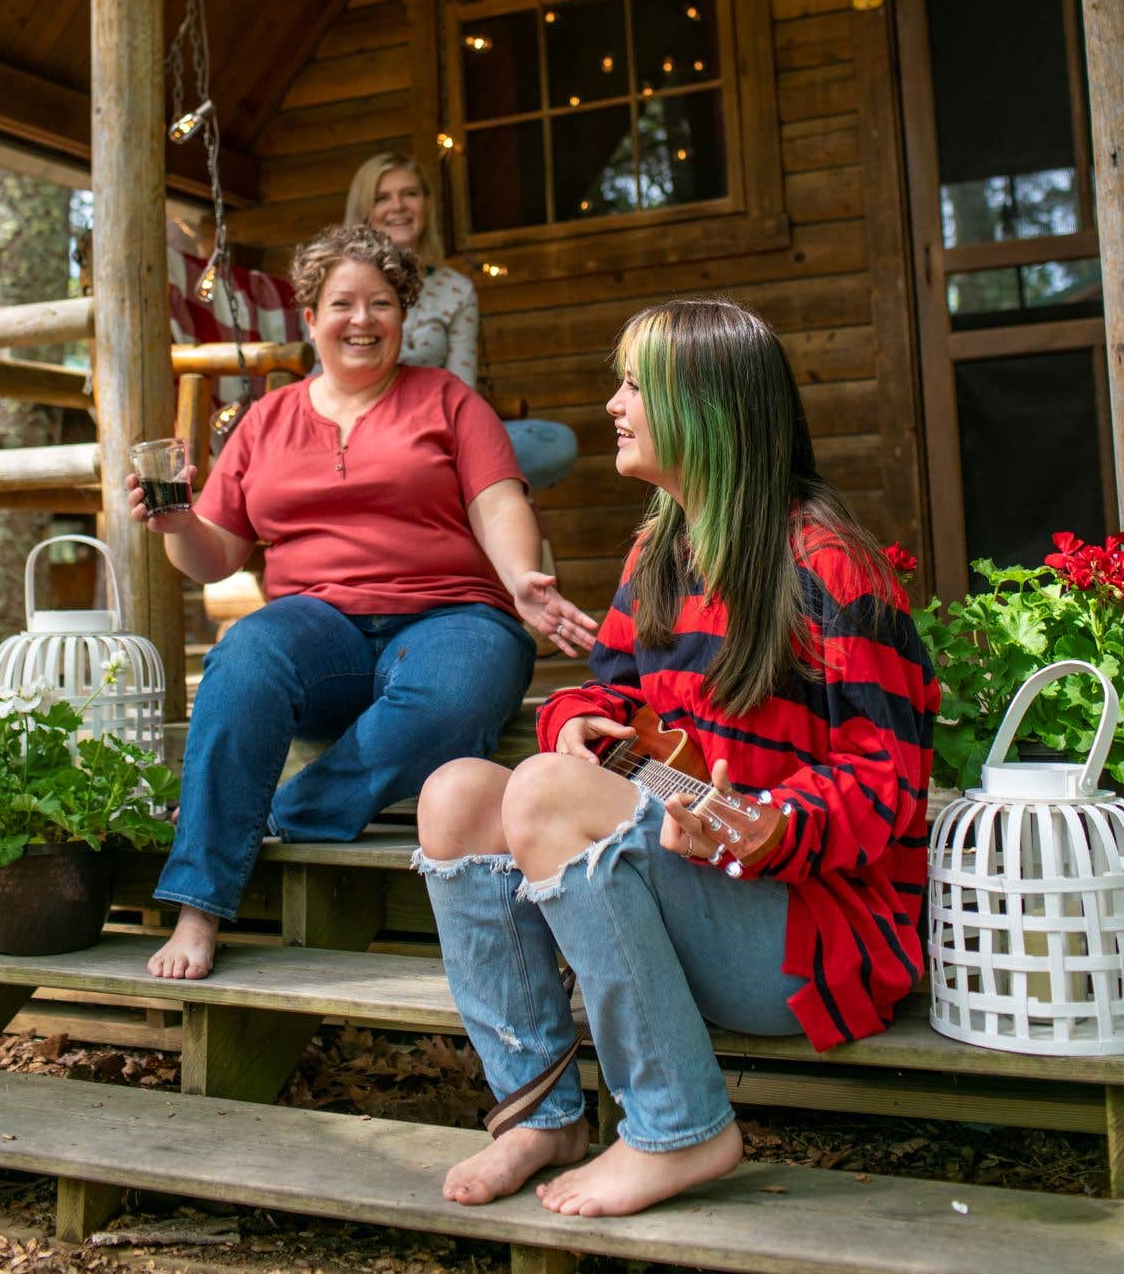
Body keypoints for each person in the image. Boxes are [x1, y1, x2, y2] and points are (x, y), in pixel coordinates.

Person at [413, 297, 939, 1219]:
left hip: (806, 930)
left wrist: (775, 827)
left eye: (635, 384)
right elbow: (606, 693)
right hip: (691, 876)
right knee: (457, 794)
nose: (614, 403)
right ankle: (542, 1112)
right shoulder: (662, 550)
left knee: (539, 794)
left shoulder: (828, 564)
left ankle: (678, 1126)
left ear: (707, 404)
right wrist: (577, 721)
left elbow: (886, 777)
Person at [128, 224, 596, 982]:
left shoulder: (447, 399)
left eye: (381, 302)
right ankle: (198, 905)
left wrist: (518, 578)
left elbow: (498, 501)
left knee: (452, 694)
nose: (362, 318)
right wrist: (177, 524)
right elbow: (213, 557)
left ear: (403, 316)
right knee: (245, 653)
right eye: (342, 302)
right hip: (320, 628)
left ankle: (281, 810)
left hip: (453, 615)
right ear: (310, 316)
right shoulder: (266, 419)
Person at [344, 152, 578, 492]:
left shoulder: (455, 289)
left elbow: (461, 391)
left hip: (437, 434)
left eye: (409, 194)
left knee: (555, 441)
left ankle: (431, 482)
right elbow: (321, 379)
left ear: (426, 204)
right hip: (360, 431)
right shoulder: (345, 285)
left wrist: (437, 435)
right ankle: (444, 487)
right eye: (382, 197)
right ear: (364, 210)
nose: (398, 206)